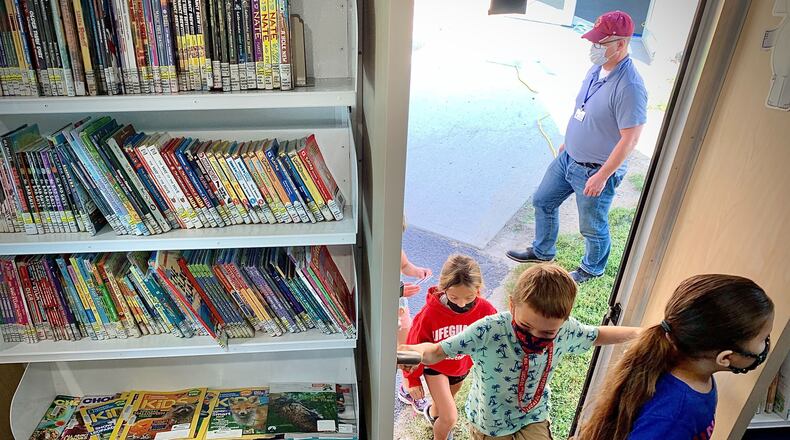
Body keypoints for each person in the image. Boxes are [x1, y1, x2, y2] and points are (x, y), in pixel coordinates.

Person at [400, 264, 641, 439]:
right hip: (490, 423)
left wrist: (642, 334)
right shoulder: (490, 329)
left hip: (533, 415)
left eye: (547, 334)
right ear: (513, 305)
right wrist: (410, 354)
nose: (534, 337)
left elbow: (597, 335)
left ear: (563, 321)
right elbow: (436, 351)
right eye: (526, 326)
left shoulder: (566, 330)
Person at [507, 10, 648, 284]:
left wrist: (602, 175)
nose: (593, 48)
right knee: (543, 201)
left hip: (594, 169)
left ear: (621, 44)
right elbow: (582, 109)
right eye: (593, 41)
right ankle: (542, 250)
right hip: (569, 157)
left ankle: (592, 268)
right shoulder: (598, 68)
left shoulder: (630, 86)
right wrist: (569, 141)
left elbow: (630, 139)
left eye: (600, 43)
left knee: (591, 226)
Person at [577, 274, 774, 440]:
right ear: (725, 358)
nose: (766, 344)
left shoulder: (689, 375)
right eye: (764, 338)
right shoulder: (676, 414)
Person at [399, 254, 498, 440]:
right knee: (450, 416)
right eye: (454, 297)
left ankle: (432, 414)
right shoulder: (430, 313)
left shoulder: (485, 310)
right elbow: (412, 345)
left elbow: (496, 333)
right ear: (444, 289)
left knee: (443, 406)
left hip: (462, 367)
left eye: (469, 297)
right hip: (435, 368)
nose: (461, 303)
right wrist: (411, 379)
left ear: (478, 289)